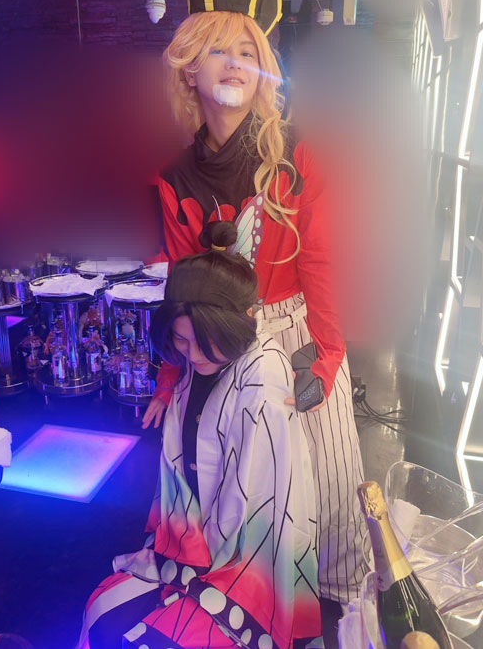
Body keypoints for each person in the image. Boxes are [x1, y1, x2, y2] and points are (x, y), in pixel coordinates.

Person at [142, 0, 366, 646]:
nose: (236, 63)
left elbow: (322, 260)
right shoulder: (175, 178)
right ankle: (247, 610)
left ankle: (338, 617)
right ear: (189, 71)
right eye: (219, 50)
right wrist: (171, 378)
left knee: (329, 490)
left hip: (298, 335)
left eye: (248, 51)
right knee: (237, 493)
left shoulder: (298, 153)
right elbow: (183, 284)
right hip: (220, 343)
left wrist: (327, 354)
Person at [78, 221, 321, 649]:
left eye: (203, 343)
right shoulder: (203, 361)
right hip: (193, 547)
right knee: (99, 608)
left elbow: (263, 519)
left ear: (241, 324)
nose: (192, 356)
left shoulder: (264, 382)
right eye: (181, 340)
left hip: (248, 573)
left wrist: (200, 571)